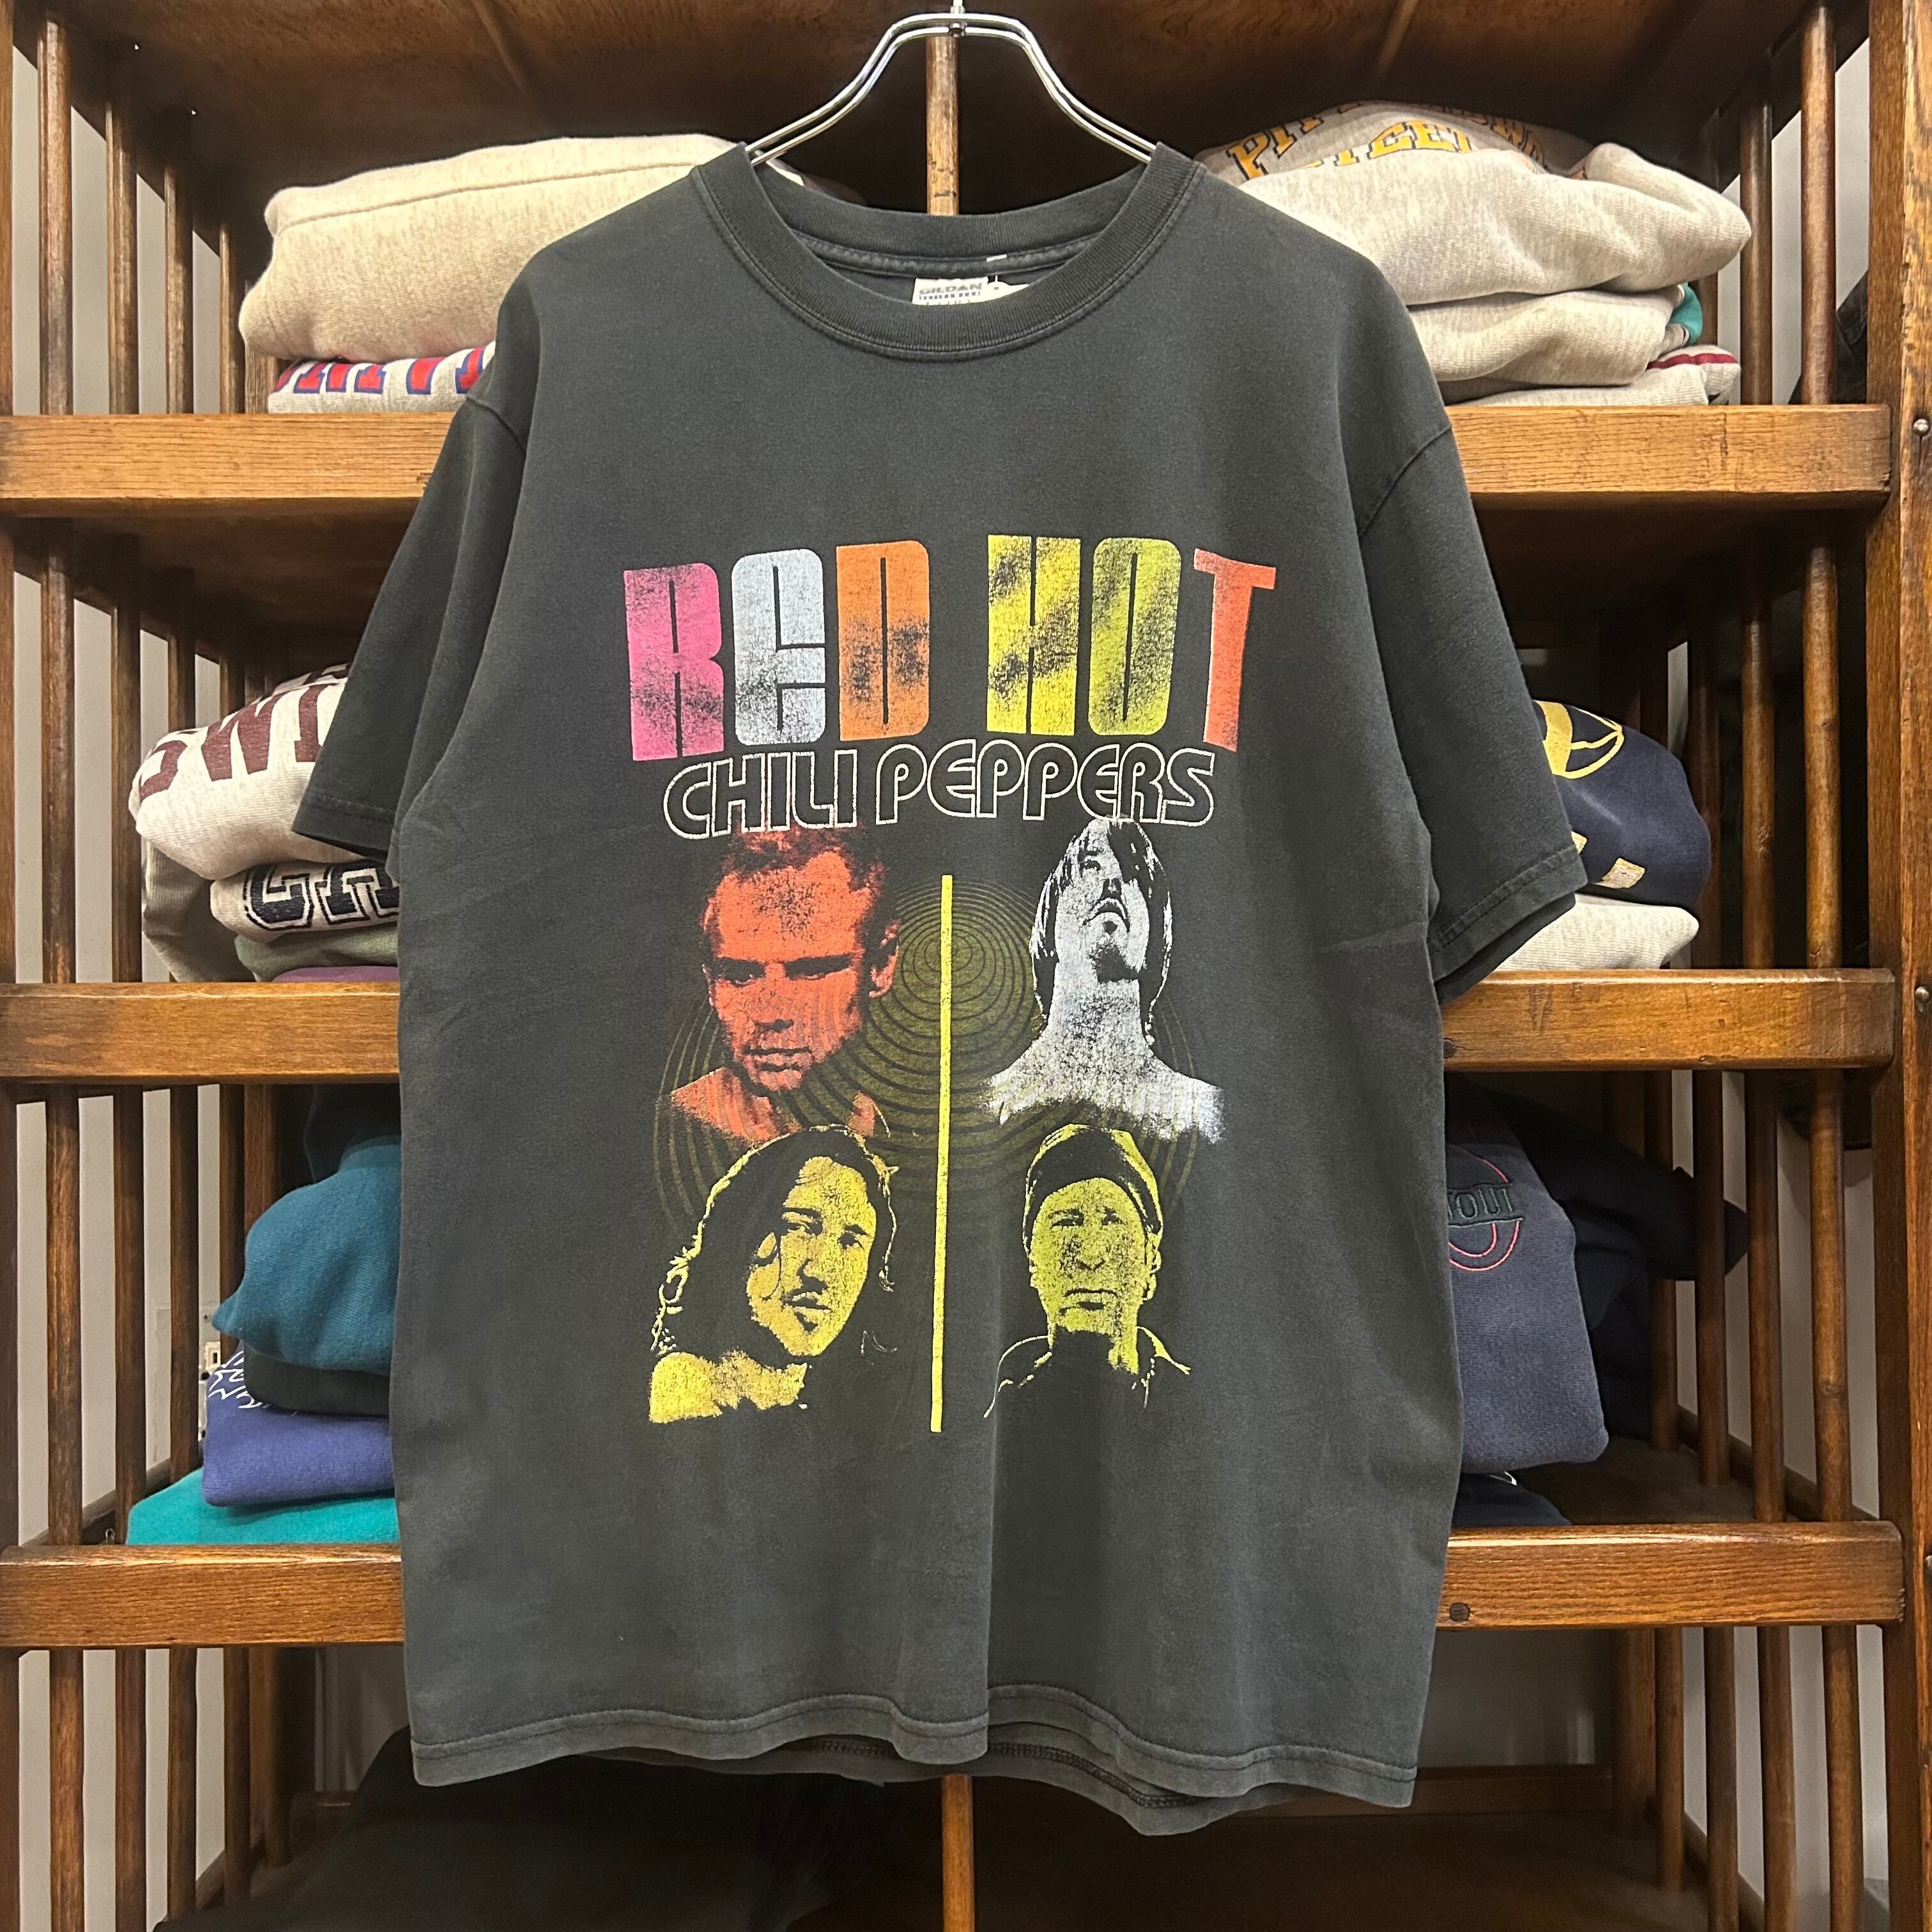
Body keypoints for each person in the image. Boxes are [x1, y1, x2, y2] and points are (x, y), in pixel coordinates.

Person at [985, 819, 1222, 1142]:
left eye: (1132, 874)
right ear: (1050, 919)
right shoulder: (982, 1108)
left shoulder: (1206, 1113)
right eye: (1091, 867)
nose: (1112, 881)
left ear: (1154, 938)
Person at [669, 828, 898, 1147]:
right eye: (740, 976)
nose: (771, 1014)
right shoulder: (672, 1131)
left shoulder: (895, 1128)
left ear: (881, 966)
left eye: (812, 972)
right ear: (711, 982)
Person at [650, 1127, 896, 1423]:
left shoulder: (822, 1419)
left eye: (851, 1242)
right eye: (799, 1227)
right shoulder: (679, 1410)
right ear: (736, 1236)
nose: (821, 1271)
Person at [988, 1124, 1187, 1412]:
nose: (1091, 1256)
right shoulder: (1009, 1408)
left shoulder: (1200, 1407)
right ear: (1033, 1260)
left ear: (1151, 1259)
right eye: (1066, 1224)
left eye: (1113, 1222)